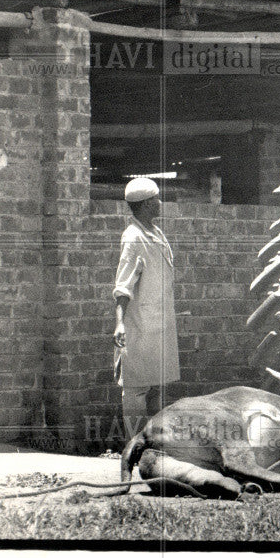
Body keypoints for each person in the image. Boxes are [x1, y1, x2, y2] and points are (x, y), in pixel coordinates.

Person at [113, 177, 180, 436]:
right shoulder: (133, 238)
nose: (159, 203)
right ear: (145, 204)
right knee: (135, 387)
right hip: (139, 322)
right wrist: (120, 323)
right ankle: (134, 442)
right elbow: (123, 286)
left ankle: (154, 443)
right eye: (155, 200)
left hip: (158, 322)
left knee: (155, 384)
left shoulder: (154, 231)